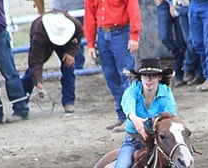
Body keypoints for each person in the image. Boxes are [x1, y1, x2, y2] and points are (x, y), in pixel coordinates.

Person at [84, 0, 141, 132]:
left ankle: (131, 116)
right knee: (111, 76)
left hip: (120, 32)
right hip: (104, 34)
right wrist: (91, 44)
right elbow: (89, 17)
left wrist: (134, 36)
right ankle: (122, 115)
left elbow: (133, 10)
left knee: (127, 75)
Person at [21, 10, 84, 114]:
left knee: (68, 66)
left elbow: (79, 34)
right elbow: (35, 61)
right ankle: (21, 104)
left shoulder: (74, 24)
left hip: (67, 41)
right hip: (44, 40)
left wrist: (71, 53)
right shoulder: (39, 32)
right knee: (32, 71)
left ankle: (69, 102)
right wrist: (38, 81)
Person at [33, 0, 86, 70]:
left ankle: (75, 67)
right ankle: (73, 67)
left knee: (74, 39)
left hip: (78, 7)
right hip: (61, 9)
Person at [172, 0, 204, 86]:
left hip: (193, 5)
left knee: (194, 41)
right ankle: (197, 72)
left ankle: (188, 67)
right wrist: (173, 3)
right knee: (189, 42)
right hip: (181, 6)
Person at [155, 0, 186, 87]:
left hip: (178, 2)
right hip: (164, 3)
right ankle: (181, 62)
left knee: (181, 39)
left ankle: (181, 72)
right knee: (165, 37)